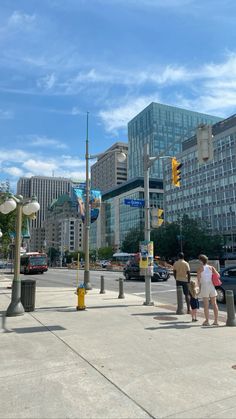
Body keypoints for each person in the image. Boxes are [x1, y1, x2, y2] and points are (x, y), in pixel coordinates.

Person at [197, 254, 219, 326]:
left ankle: (207, 321)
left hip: (204, 286)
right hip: (211, 285)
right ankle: (216, 321)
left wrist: (199, 289)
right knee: (214, 304)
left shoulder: (200, 268)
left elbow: (199, 280)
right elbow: (218, 275)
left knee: (206, 305)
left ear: (201, 261)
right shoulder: (211, 267)